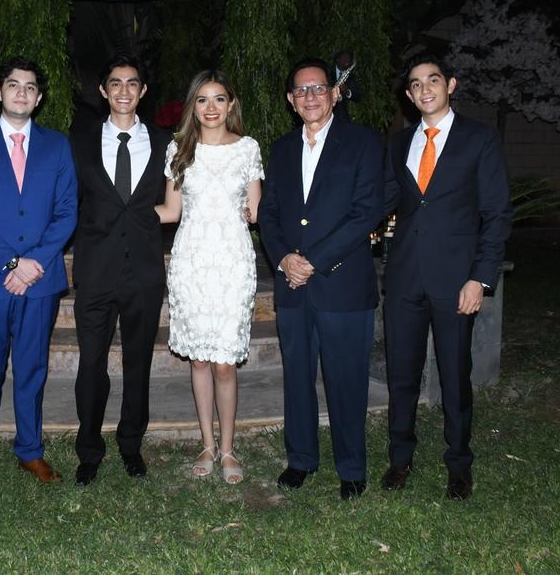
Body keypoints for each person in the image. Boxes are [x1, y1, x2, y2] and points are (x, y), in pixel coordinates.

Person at [381, 54, 512, 500]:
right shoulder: (400, 143)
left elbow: (497, 214)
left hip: (457, 281)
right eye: (416, 84)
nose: (425, 89)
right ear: (409, 94)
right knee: (401, 375)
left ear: (450, 84)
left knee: (455, 376)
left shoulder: (479, 138)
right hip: (404, 279)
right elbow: (383, 200)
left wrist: (480, 278)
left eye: (433, 80)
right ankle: (400, 459)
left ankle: (459, 464)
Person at [0, 57, 78, 487]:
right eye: (13, 85)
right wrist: (11, 263)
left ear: (38, 98)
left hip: (40, 279)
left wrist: (33, 263)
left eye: (30, 87)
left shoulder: (57, 146)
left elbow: (66, 212)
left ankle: (30, 451)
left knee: (31, 368)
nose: (21, 92)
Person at [258, 57, 383, 501]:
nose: (310, 96)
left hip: (343, 285)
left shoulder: (363, 143)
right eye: (301, 90)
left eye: (318, 88)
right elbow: (268, 213)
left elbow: (366, 212)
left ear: (333, 93)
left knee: (346, 379)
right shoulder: (281, 149)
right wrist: (283, 258)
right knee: (297, 377)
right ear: (291, 101)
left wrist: (312, 260)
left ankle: (351, 467)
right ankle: (301, 459)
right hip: (292, 287)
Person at [69, 54, 171, 486]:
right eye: (115, 83)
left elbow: (179, 201)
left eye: (132, 83)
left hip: (144, 271)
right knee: (91, 364)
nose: (124, 91)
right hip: (95, 270)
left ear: (143, 91)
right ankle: (89, 450)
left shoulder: (167, 142)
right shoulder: (79, 141)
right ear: (103, 90)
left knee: (138, 363)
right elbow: (65, 202)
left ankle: (131, 444)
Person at [156, 70, 263, 484]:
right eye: (202, 99)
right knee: (199, 359)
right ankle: (207, 443)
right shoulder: (179, 149)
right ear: (193, 106)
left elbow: (256, 211)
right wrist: (120, 212)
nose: (211, 107)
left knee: (224, 364)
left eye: (219, 98)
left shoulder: (247, 148)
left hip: (233, 263)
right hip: (192, 263)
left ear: (231, 104)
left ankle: (229, 448)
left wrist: (252, 213)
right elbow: (171, 212)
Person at [331, 50, 362, 124]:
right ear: (337, 59)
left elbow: (358, 97)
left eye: (349, 58)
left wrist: (347, 91)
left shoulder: (351, 77)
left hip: (342, 117)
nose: (347, 60)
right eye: (345, 57)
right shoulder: (327, 72)